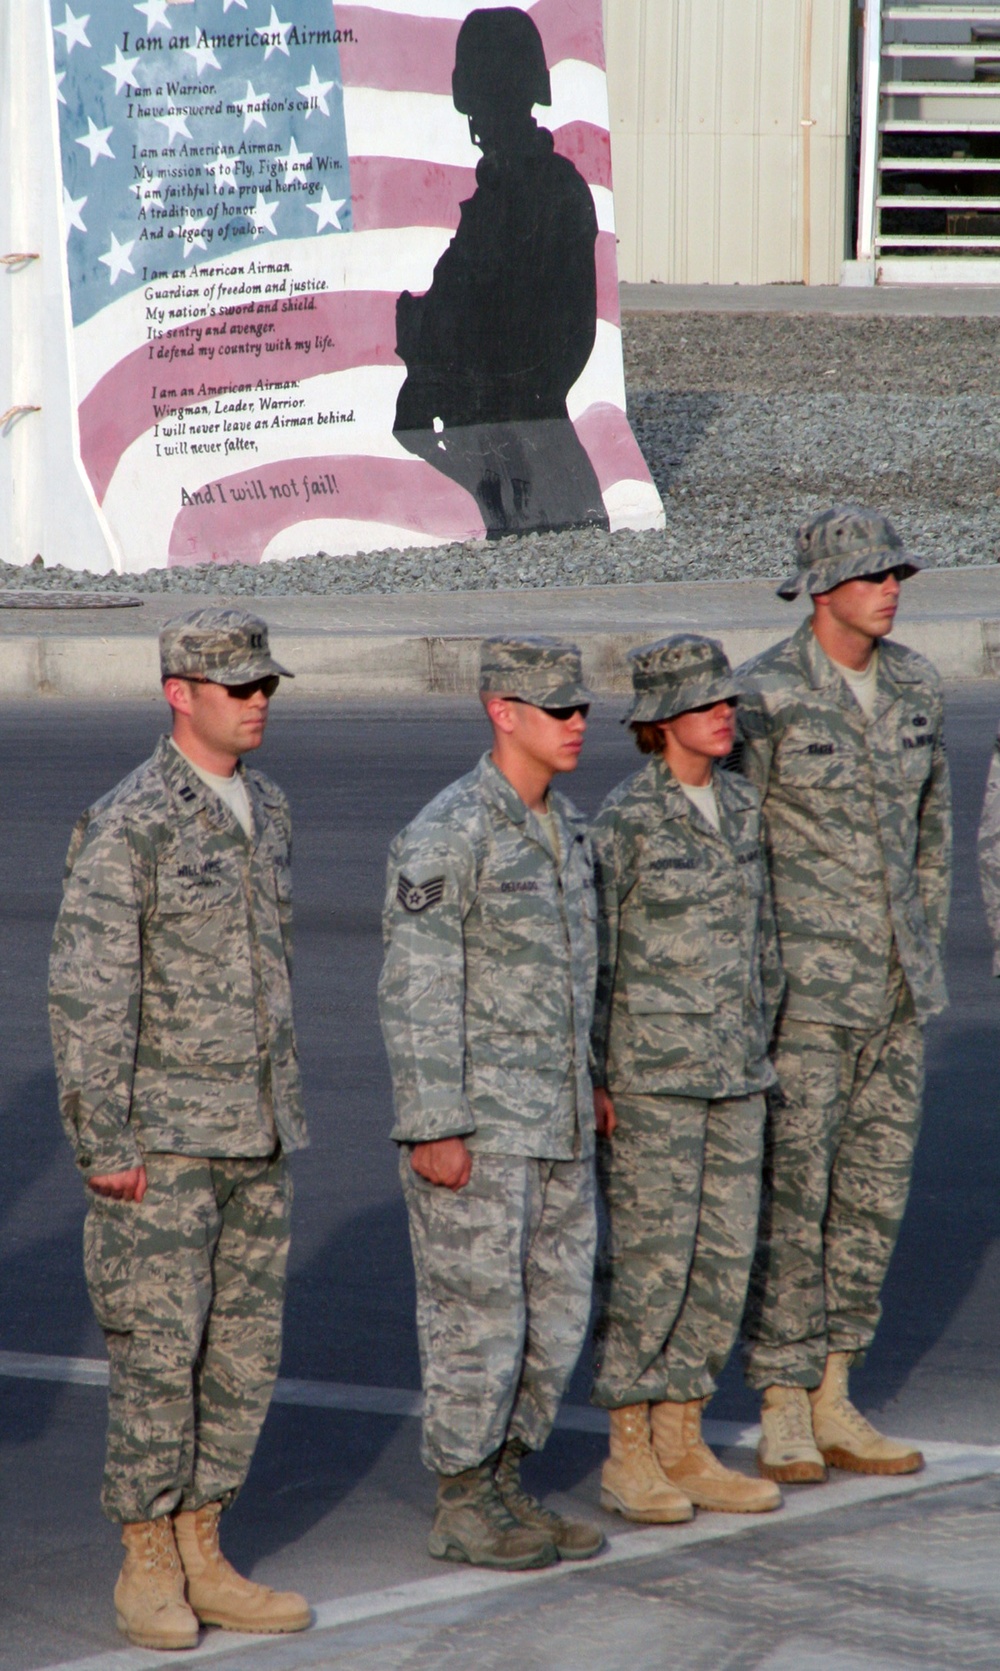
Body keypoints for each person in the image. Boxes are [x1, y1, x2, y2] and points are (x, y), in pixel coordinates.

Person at [49, 608, 310, 1652]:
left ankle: (205, 1545)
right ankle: (147, 1559)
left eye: (263, 687)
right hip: (161, 1141)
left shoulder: (271, 808)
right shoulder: (131, 820)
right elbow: (87, 991)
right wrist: (102, 1140)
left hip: (258, 1130)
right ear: (178, 693)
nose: (254, 703)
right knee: (158, 1355)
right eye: (235, 687)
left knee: (241, 1354)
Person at [379, 636, 604, 1570]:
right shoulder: (449, 832)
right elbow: (417, 982)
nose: (578, 723)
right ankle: (464, 1499)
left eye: (582, 707)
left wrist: (591, 1080)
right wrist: (435, 1124)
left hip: (557, 1120)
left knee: (553, 1318)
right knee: (478, 1321)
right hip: (481, 1128)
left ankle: (508, 1481)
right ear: (501, 711)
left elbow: (580, 975)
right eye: (558, 709)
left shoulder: (568, 829)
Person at [736, 508, 951, 1483]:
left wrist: (922, 955)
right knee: (794, 1202)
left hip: (896, 994)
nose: (890, 589)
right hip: (803, 1003)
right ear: (821, 590)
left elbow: (929, 837)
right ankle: (781, 1402)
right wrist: (751, 995)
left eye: (894, 573)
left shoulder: (915, 687)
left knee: (868, 1204)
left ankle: (834, 1393)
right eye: (870, 577)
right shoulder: (764, 698)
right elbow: (732, 856)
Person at [589, 635, 784, 1523]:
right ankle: (629, 1450)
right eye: (706, 704)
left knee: (720, 1263)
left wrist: (761, 1040)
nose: (724, 714)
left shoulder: (744, 806)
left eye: (728, 700)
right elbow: (595, 962)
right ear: (660, 722)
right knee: (650, 1271)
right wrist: (598, 1077)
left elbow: (764, 940)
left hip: (736, 1074)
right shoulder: (624, 823)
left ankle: (684, 1436)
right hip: (653, 1082)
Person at [393, 7, 608, 537]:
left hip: (536, 461)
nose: (482, 120)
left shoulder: (541, 193)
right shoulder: (502, 200)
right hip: (509, 451)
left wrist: (458, 377)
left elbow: (560, 339)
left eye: (489, 100)